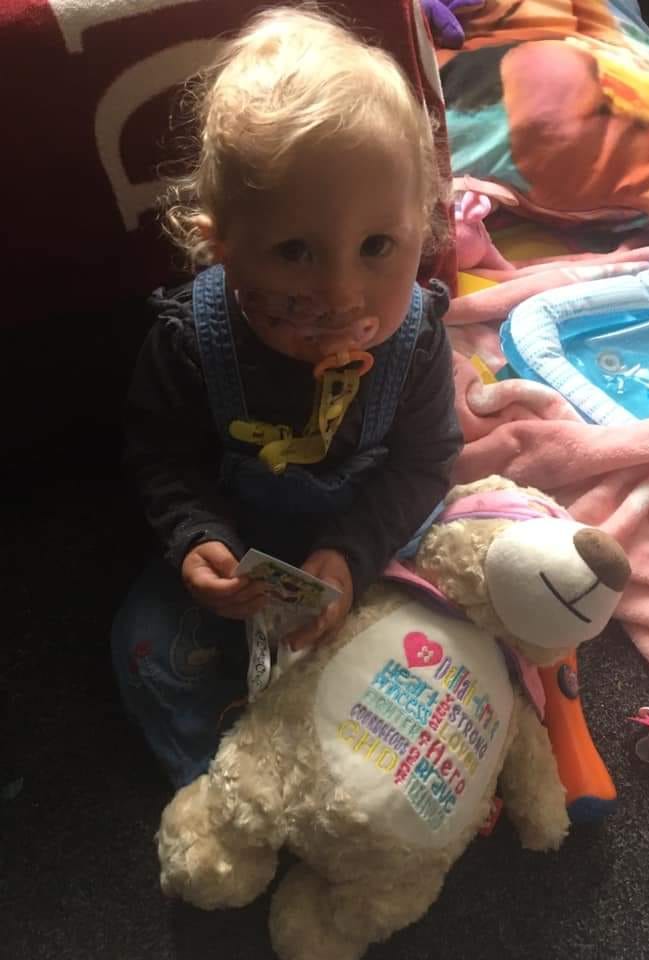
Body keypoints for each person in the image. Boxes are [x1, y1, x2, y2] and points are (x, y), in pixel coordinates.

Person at [111, 4, 463, 788]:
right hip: (239, 558)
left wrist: (354, 554)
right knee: (150, 647)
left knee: (447, 617)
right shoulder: (190, 342)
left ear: (426, 226)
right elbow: (159, 456)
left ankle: (357, 766)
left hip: (368, 540)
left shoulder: (416, 341)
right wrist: (195, 536)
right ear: (221, 245)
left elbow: (425, 463)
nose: (341, 294)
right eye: (295, 251)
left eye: (378, 246)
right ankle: (232, 784)